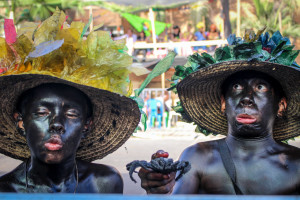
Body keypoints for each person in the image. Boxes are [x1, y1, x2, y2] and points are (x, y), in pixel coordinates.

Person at [138, 29, 300, 195]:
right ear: (223, 103)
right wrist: (157, 191)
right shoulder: (198, 157)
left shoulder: (296, 164)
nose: (246, 98)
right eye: (237, 87)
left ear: (281, 106)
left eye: (260, 87)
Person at [0, 10, 140, 193]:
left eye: (71, 114)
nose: (57, 124)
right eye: (42, 113)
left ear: (86, 126)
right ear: (21, 122)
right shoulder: (5, 191)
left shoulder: (105, 184)